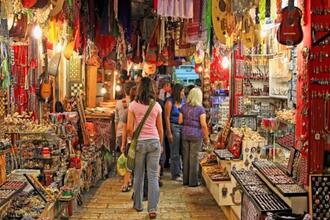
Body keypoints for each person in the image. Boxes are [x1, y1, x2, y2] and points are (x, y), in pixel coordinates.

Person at [127, 77, 163, 218]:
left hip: (140, 143)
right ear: (152, 89)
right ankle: (152, 209)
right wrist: (160, 144)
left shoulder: (133, 106)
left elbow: (129, 128)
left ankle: (138, 204)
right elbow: (160, 129)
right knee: (153, 176)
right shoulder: (156, 106)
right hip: (154, 142)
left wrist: (133, 138)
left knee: (139, 175)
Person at [179, 87, 209, 187]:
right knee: (194, 158)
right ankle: (193, 182)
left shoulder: (183, 107)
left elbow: (180, 121)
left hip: (185, 134)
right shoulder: (201, 109)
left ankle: (185, 180)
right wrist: (206, 137)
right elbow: (203, 125)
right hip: (196, 135)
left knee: (186, 157)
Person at [165, 83, 185, 181]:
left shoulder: (183, 101)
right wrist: (169, 132)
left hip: (183, 127)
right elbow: (167, 117)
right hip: (174, 127)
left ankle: (180, 171)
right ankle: (175, 174)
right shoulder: (169, 102)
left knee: (182, 151)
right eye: (182, 91)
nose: (183, 93)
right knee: (175, 152)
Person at [120, 86, 137, 192]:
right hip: (138, 140)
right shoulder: (144, 107)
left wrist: (123, 143)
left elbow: (125, 129)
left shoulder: (129, 108)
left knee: (129, 164)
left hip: (131, 141)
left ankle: (127, 183)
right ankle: (130, 183)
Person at [115, 81, 136, 154]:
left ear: (124, 90)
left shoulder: (119, 103)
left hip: (121, 132)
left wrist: (116, 135)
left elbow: (116, 121)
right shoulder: (137, 103)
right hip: (134, 135)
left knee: (123, 157)